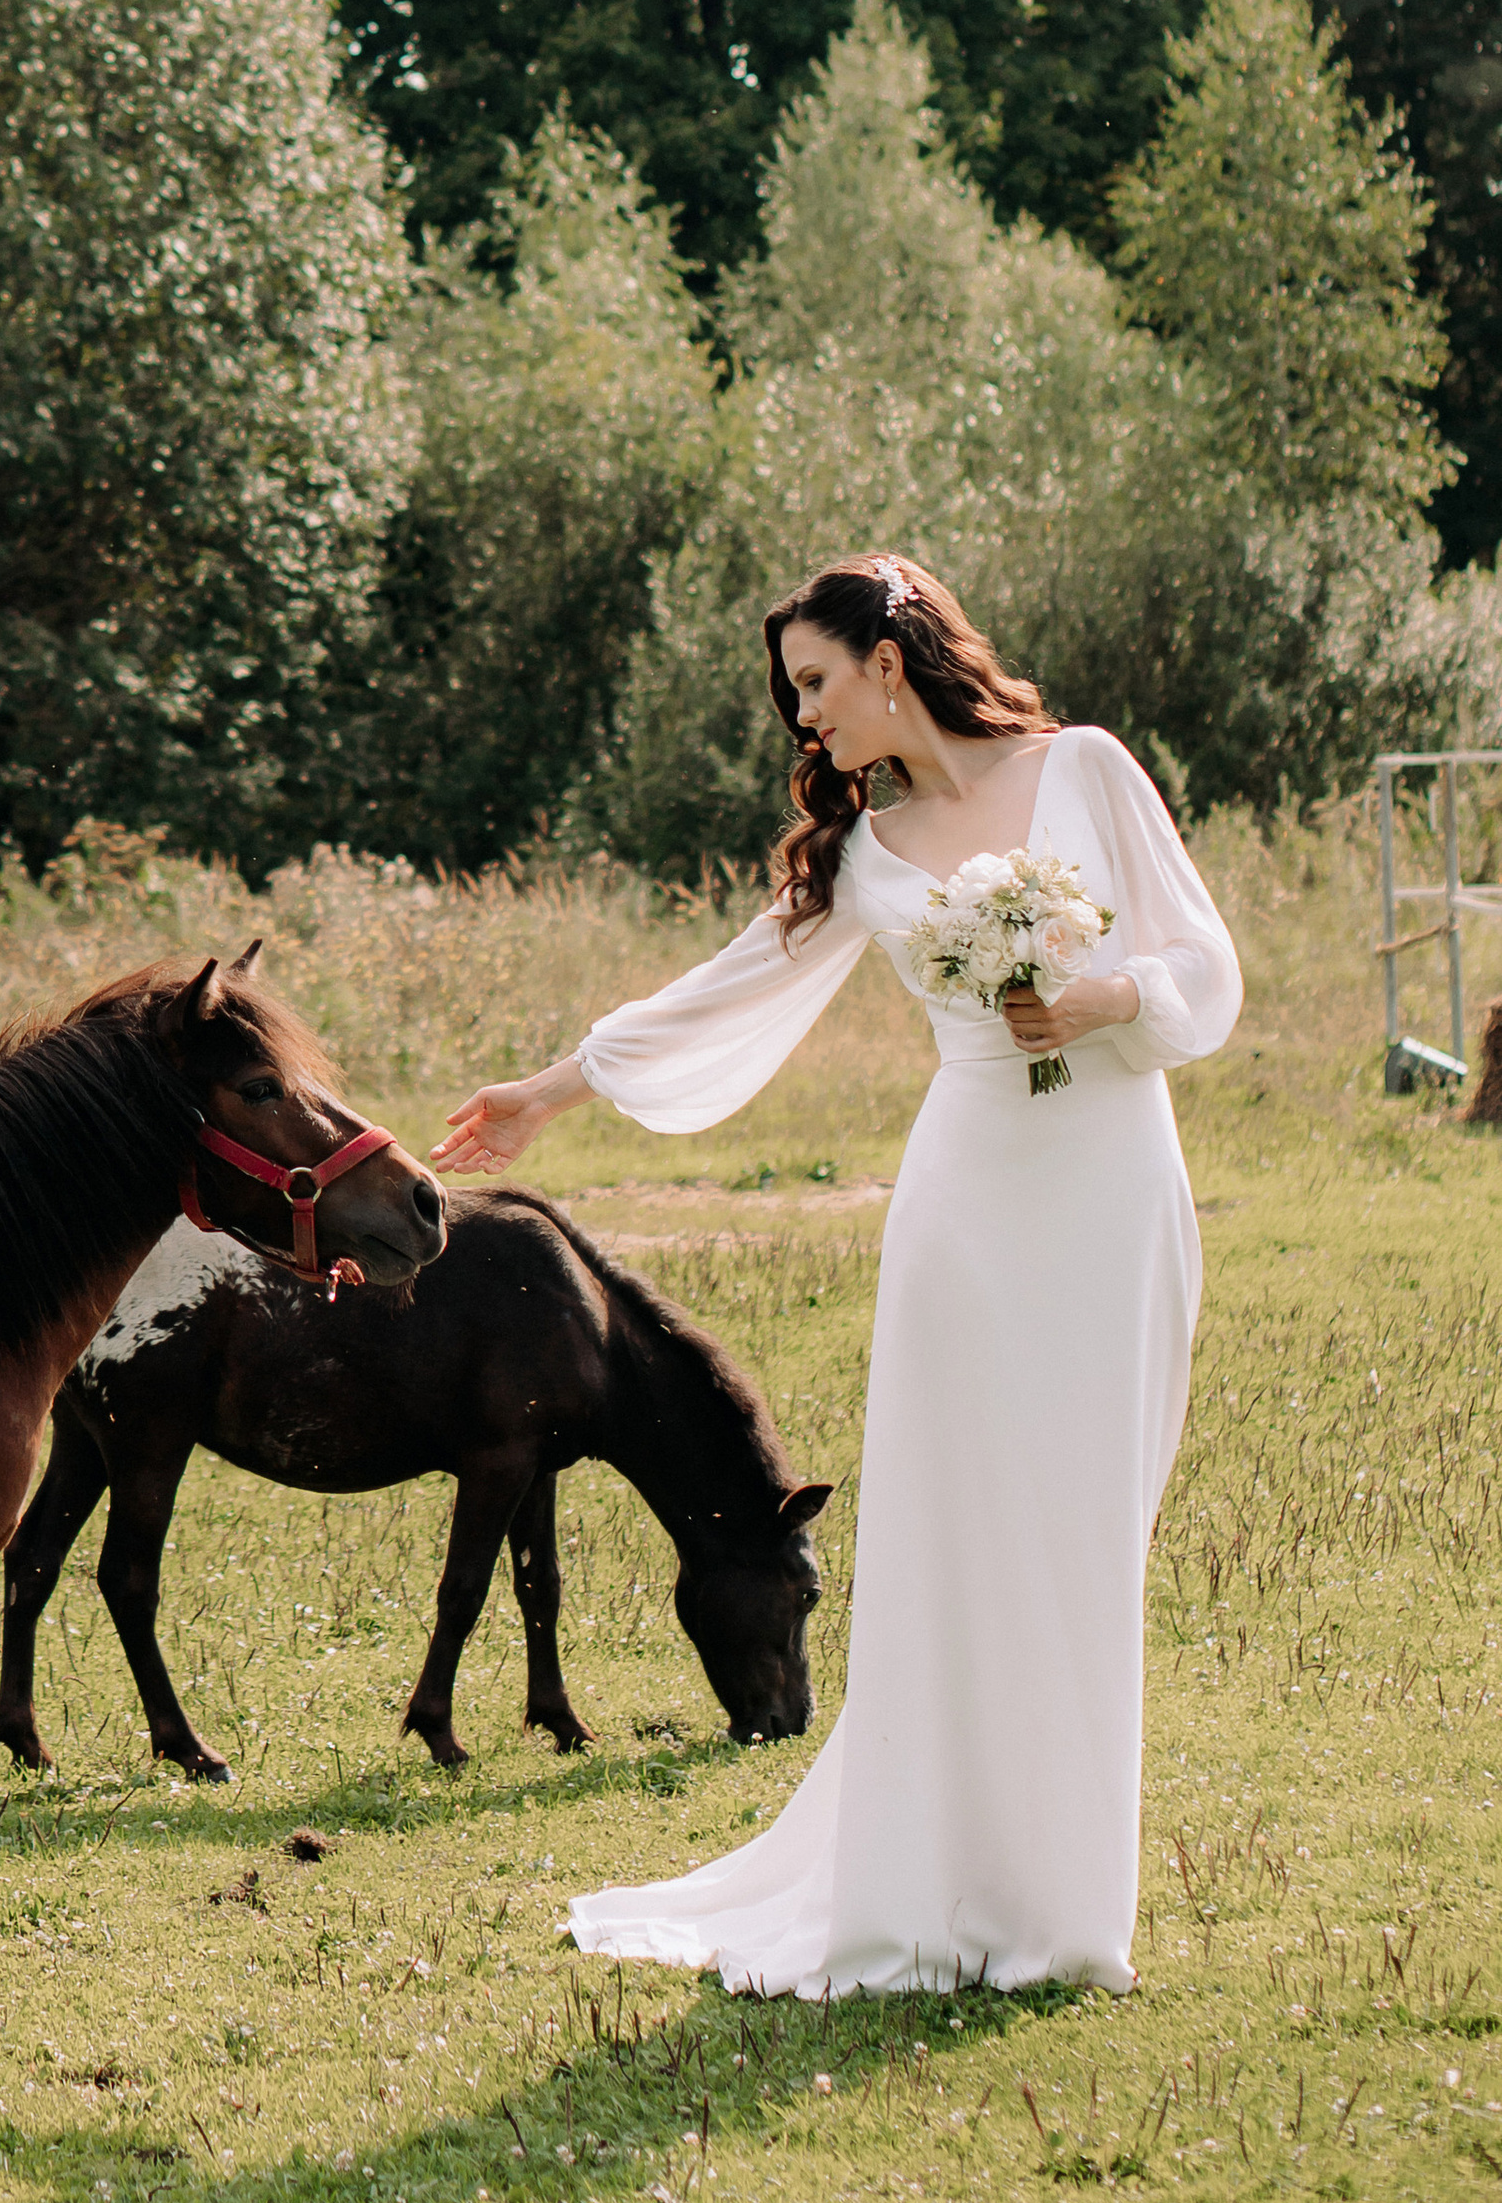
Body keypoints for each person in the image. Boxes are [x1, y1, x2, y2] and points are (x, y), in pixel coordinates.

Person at [432, 553, 1241, 1998]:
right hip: (965, 1211)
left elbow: (1208, 967)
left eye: (814, 683)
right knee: (961, 1539)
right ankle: (945, 1886)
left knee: (1082, 1531)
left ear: (888, 656)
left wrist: (1103, 996)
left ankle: (1063, 1904)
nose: (805, 720)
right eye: (793, 696)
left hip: (1112, 1188)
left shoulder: (1089, 773)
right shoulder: (867, 854)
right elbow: (731, 984)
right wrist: (552, 1089)